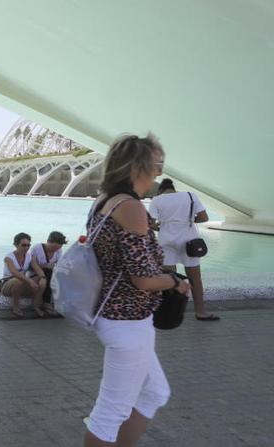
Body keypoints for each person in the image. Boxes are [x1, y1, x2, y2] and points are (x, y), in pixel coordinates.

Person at [82, 134, 190, 447]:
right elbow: (142, 279)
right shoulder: (130, 208)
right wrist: (175, 282)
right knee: (111, 412)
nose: (159, 172)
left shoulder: (105, 200)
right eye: (157, 164)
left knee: (155, 392)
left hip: (118, 318)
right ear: (137, 167)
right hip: (126, 322)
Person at [149, 178, 217, 321]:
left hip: (166, 241)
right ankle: (200, 312)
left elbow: (151, 223)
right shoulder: (190, 196)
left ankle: (169, 313)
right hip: (189, 241)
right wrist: (190, 219)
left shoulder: (157, 199)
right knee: (195, 279)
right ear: (174, 188)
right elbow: (204, 217)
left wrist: (161, 225)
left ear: (160, 190)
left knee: (169, 279)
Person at [0, 232, 50, 318]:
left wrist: (43, 277)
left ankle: (35, 305)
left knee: (40, 279)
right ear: (16, 245)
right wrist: (30, 281)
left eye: (28, 245)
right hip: (7, 284)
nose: (26, 247)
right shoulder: (9, 257)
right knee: (18, 280)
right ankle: (16, 306)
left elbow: (37, 269)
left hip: (22, 283)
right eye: (23, 245)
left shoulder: (29, 256)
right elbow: (15, 273)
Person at [30, 231, 68, 308]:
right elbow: (30, 265)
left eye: (58, 248)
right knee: (48, 272)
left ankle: (61, 301)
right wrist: (45, 265)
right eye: (53, 247)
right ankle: (46, 302)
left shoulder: (58, 251)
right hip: (35, 273)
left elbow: (59, 264)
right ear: (48, 241)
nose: (55, 250)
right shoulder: (36, 248)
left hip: (51, 273)